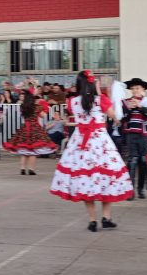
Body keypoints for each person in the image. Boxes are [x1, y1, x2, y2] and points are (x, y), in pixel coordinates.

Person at [50, 70, 133, 231]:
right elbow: (114, 116)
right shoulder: (100, 99)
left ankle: (92, 220)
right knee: (106, 177)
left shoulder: (73, 102)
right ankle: (106, 217)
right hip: (100, 141)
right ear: (92, 83)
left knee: (85, 179)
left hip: (80, 142)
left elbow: (78, 115)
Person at [4, 88, 58, 175]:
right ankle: (31, 169)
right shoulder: (37, 107)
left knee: (24, 151)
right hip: (35, 128)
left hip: (25, 128)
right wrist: (45, 107)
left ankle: (22, 168)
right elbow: (42, 116)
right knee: (33, 151)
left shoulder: (23, 107)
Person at [122, 77, 147, 200]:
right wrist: (130, 111)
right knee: (132, 161)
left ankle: (141, 189)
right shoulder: (126, 102)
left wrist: (140, 107)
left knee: (142, 161)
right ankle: (130, 191)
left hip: (144, 135)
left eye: (137, 88)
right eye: (132, 88)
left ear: (143, 89)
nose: (134, 91)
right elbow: (123, 119)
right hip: (131, 134)